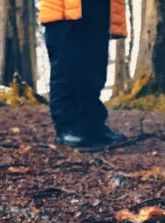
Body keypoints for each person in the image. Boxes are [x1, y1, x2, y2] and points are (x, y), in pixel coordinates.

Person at [40, 0, 128, 148]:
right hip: (64, 9)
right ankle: (67, 127)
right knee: (66, 68)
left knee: (95, 70)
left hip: (99, 7)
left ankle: (93, 126)